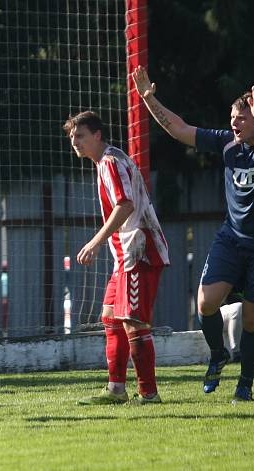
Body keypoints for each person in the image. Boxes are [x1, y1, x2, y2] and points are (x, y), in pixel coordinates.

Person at [132, 66, 254, 401]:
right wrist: (149, 99)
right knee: (205, 303)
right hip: (232, 239)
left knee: (252, 318)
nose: (235, 123)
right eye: (233, 116)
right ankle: (218, 354)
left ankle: (245, 384)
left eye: (243, 118)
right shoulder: (227, 144)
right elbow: (179, 129)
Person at [65, 111, 169, 405]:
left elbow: (125, 205)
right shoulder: (106, 161)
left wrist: (95, 242)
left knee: (134, 322)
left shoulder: (109, 162)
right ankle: (116, 389)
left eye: (81, 136)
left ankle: (148, 393)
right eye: (72, 137)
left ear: (97, 135)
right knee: (111, 317)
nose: (75, 142)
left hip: (139, 251)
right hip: (124, 256)